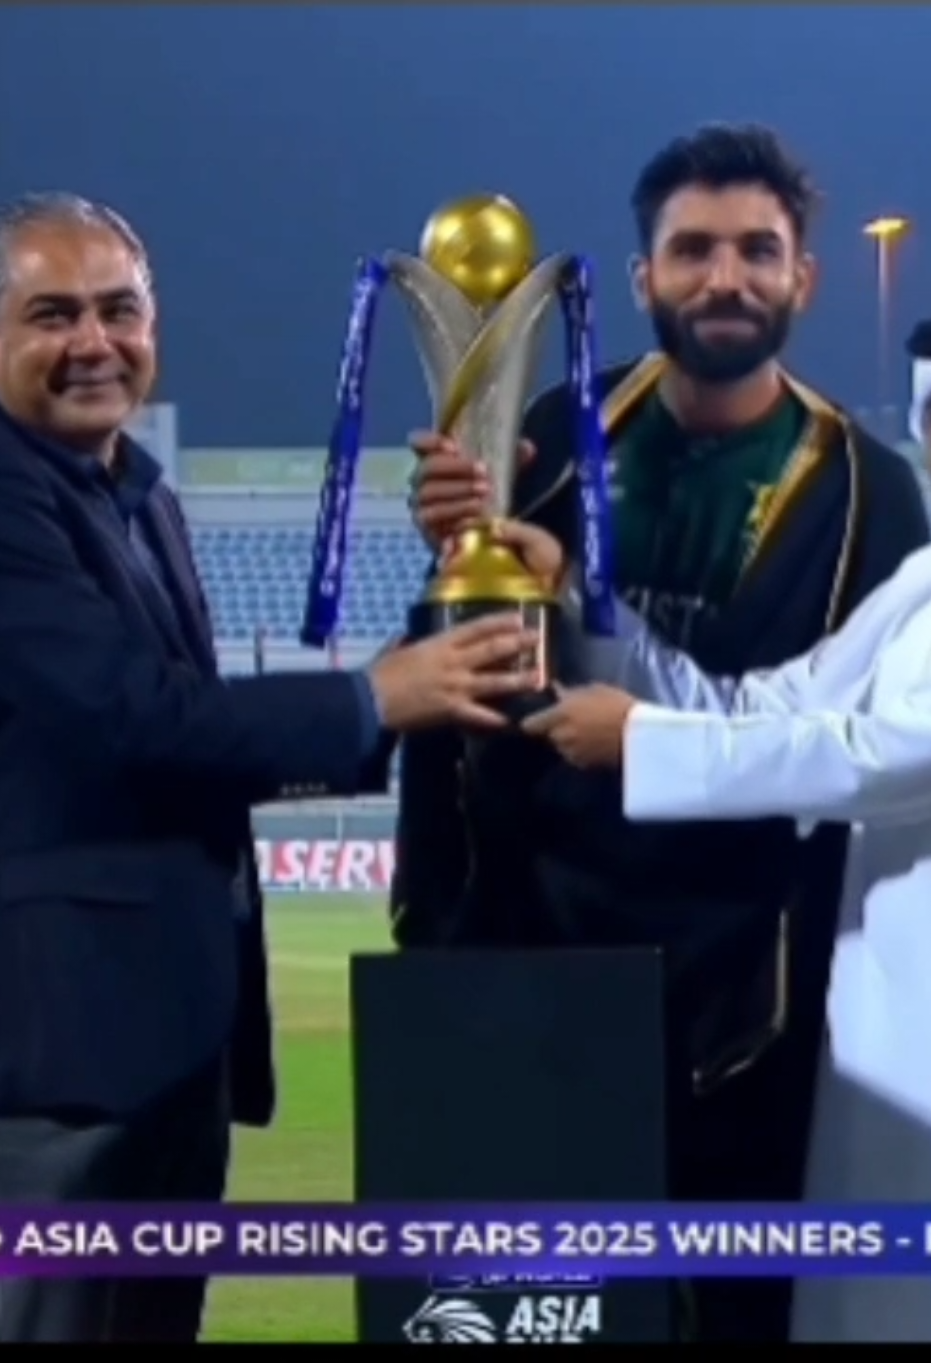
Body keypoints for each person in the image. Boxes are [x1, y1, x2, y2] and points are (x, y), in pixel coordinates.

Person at [0, 192, 539, 1346]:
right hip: (43, 1064)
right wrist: (370, 697)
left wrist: (439, 618)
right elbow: (130, 714)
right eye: (55, 314)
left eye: (120, 310)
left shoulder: (129, 492)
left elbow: (190, 741)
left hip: (156, 1049)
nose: (95, 342)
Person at [395, 123, 931, 1342]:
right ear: (642, 280)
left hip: (752, 979)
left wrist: (639, 735)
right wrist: (464, 548)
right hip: (540, 945)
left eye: (756, 249)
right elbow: (476, 652)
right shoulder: (547, 429)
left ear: (803, 276)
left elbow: (827, 736)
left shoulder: (868, 489)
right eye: (691, 250)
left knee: (739, 1308)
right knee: (534, 1309)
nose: (723, 277)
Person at [517, 538, 931, 1345]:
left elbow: (892, 755)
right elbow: (763, 707)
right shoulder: (924, 575)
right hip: (886, 1022)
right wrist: (577, 596)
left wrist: (648, 743)